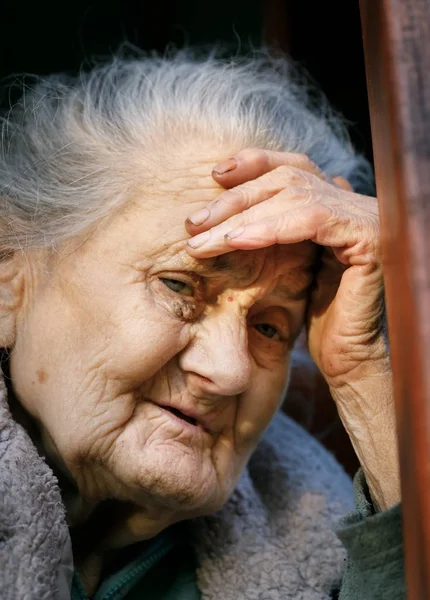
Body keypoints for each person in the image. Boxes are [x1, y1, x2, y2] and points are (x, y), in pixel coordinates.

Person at [0, 52, 405, 600]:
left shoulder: (312, 548)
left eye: (269, 328)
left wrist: (363, 370)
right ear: (10, 273)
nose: (231, 372)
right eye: (178, 285)